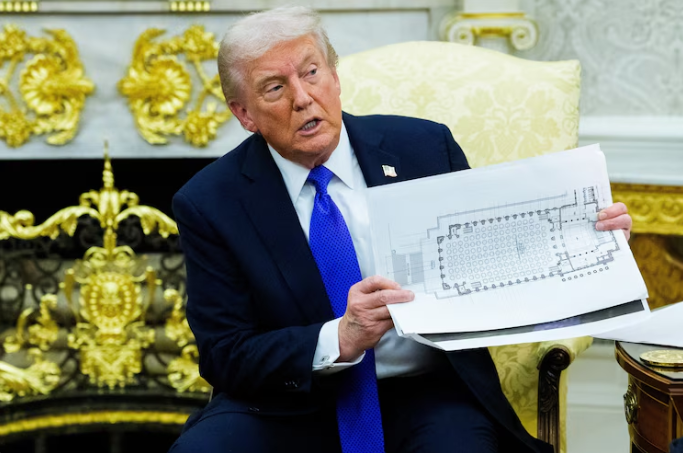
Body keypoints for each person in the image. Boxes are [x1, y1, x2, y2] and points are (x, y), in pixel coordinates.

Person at [169, 6, 633, 453]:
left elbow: (495, 261)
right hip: (287, 404)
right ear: (244, 114)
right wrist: (340, 337)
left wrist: (589, 242)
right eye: (275, 87)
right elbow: (224, 353)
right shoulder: (211, 202)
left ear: (334, 76)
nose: (303, 98)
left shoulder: (424, 149)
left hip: (426, 391)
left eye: (311, 73)